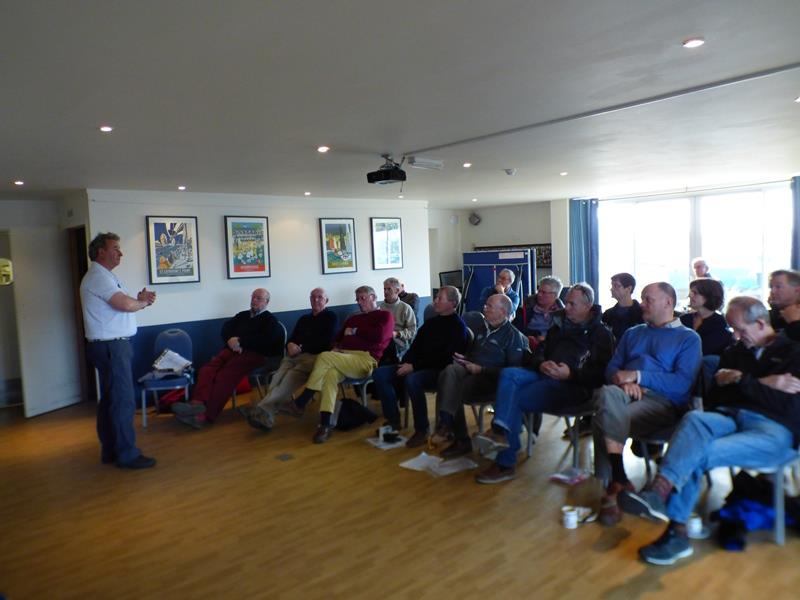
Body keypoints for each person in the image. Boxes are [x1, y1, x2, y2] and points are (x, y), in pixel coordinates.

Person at [618, 297, 800, 565]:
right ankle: (659, 491)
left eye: (740, 330)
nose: (735, 337)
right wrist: (764, 384)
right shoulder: (736, 351)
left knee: (696, 452)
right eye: (732, 330)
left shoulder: (794, 353)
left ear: (761, 323)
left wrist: (740, 379)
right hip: (729, 416)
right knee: (693, 420)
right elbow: (715, 396)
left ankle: (676, 530)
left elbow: (788, 405)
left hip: (774, 429)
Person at [474, 283, 614, 483]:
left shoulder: (601, 334)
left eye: (572, 304)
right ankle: (501, 433)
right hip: (545, 374)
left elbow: (601, 375)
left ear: (587, 306)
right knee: (509, 374)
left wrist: (570, 374)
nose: (567, 307)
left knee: (514, 397)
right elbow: (538, 352)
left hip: (574, 387)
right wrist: (541, 364)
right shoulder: (559, 325)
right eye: (566, 302)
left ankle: (505, 460)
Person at [592, 282, 702, 526]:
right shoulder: (634, 333)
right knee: (607, 395)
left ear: (668, 303)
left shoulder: (688, 338)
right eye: (642, 298)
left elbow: (682, 384)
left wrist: (638, 376)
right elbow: (612, 368)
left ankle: (613, 485)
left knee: (605, 414)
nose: (642, 304)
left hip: (662, 403)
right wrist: (623, 381)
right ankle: (619, 477)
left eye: (648, 299)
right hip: (623, 393)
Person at [79, 232, 157, 469]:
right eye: (115, 248)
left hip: (110, 346)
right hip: (112, 346)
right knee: (122, 401)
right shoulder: (98, 277)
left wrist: (139, 300)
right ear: (101, 251)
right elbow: (123, 304)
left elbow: (122, 304)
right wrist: (143, 302)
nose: (120, 253)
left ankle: (111, 451)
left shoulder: (105, 277)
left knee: (111, 400)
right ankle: (127, 454)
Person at [282, 286, 394, 444]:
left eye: (363, 298)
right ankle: (325, 424)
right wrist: (338, 345)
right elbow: (337, 338)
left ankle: (302, 401)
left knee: (325, 356)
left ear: (373, 297)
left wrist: (355, 332)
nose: (359, 302)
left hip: (366, 359)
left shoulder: (384, 316)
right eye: (357, 299)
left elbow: (379, 336)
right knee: (329, 376)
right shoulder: (353, 318)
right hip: (342, 356)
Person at [431, 293, 529, 458]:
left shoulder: (514, 337)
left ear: (503, 312)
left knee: (450, 388)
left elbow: (513, 372)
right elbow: (473, 354)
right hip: (470, 371)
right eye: (486, 304)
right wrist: (466, 359)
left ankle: (459, 437)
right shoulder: (482, 329)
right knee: (449, 371)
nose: (484, 308)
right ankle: (447, 423)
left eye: (489, 306)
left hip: (491, 381)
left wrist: (482, 369)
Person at [172, 289, 284, 429]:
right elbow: (226, 329)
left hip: (256, 354)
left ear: (266, 302)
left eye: (259, 298)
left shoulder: (270, 320)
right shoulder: (242, 315)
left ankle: (205, 416)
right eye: (253, 297)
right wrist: (230, 340)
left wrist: (241, 341)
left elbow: (267, 340)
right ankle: (197, 404)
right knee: (207, 369)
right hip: (233, 350)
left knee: (225, 375)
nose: (254, 300)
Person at [371, 285, 469, 445]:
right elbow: (415, 347)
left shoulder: (458, 327)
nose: (435, 301)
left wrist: (414, 366)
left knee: (413, 380)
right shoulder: (431, 324)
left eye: (439, 298)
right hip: (416, 365)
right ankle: (393, 420)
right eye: (436, 297)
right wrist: (407, 362)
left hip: (439, 372)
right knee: (380, 374)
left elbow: (444, 358)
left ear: (452, 303)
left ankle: (421, 429)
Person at [240, 288, 338, 431]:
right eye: (313, 297)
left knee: (288, 379)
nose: (316, 300)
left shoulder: (331, 317)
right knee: (277, 378)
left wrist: (301, 347)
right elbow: (293, 337)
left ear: (326, 300)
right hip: (294, 356)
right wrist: (290, 344)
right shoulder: (304, 319)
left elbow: (325, 342)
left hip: (314, 357)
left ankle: (262, 409)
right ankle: (267, 415)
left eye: (320, 297)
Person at [679, 278, 734, 356]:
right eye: (691, 292)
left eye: (695, 293)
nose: (690, 296)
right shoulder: (684, 318)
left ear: (708, 296)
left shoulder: (719, 323)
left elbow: (703, 350)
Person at [378, 277, 417, 360]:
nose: (385, 292)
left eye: (389, 289)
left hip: (399, 343)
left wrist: (397, 334)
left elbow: (412, 331)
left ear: (397, 290)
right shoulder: (379, 308)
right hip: (382, 341)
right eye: (384, 289)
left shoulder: (405, 308)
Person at [602, 272, 644, 342]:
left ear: (628, 289)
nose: (611, 289)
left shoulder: (642, 313)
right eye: (612, 286)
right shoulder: (607, 314)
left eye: (616, 286)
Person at [522, 276, 564, 346]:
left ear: (555, 295)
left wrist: (546, 339)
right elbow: (518, 330)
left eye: (544, 292)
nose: (539, 295)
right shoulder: (527, 308)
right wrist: (532, 336)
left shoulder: (563, 313)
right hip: (528, 346)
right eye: (539, 291)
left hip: (553, 347)